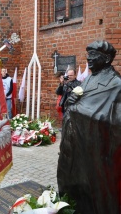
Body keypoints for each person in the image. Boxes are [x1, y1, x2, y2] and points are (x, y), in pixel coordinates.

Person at [57, 40, 121, 214]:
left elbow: (116, 121)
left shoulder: (116, 84)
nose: (88, 58)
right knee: (74, 187)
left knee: (97, 195)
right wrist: (71, 103)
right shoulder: (88, 80)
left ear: (107, 59)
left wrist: (80, 111)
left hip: (97, 154)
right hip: (78, 149)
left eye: (93, 55)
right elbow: (80, 104)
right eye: (88, 54)